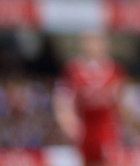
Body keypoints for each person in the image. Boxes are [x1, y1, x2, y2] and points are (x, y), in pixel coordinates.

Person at [53, 32, 128, 166]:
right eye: (90, 41)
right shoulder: (73, 70)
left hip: (106, 127)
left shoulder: (114, 70)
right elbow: (63, 100)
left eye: (97, 41)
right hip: (85, 126)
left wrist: (122, 126)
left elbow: (122, 101)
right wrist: (68, 123)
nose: (94, 45)